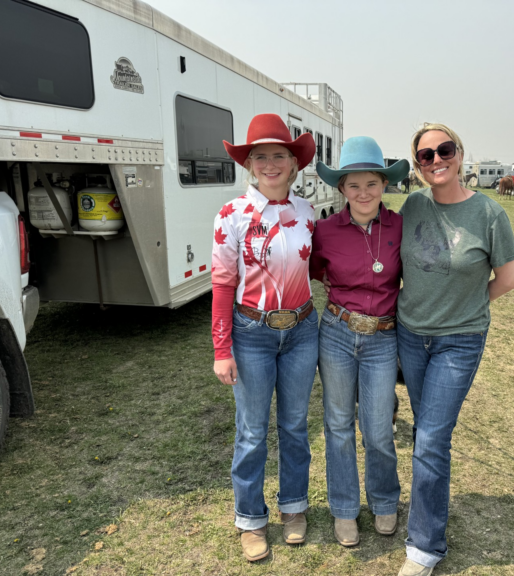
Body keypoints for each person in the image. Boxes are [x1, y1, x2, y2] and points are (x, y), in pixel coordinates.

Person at [395, 123, 514, 576]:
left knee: (429, 438)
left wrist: (464, 308)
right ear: (418, 166)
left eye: (444, 150)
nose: (436, 160)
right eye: (425, 156)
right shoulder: (411, 206)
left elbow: (507, 280)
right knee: (430, 436)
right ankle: (427, 514)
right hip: (410, 335)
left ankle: (424, 548)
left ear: (460, 154)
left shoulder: (490, 214)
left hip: (460, 341)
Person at [211, 114, 319, 562]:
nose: (271, 164)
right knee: (252, 431)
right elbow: (221, 282)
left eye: (280, 155)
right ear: (249, 165)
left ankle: (293, 507)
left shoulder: (309, 214)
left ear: (294, 164)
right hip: (252, 333)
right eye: (261, 156)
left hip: (302, 329)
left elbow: (318, 269)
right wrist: (222, 349)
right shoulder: (232, 215)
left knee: (295, 426)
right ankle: (250, 519)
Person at [310, 137, 409, 547]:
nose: (363, 192)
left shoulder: (402, 226)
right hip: (336, 333)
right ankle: (344, 510)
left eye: (371, 183)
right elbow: (316, 271)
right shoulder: (324, 230)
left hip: (383, 339)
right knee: (337, 425)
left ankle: (385, 500)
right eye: (354, 185)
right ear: (341, 189)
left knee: (378, 428)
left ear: (384, 185)